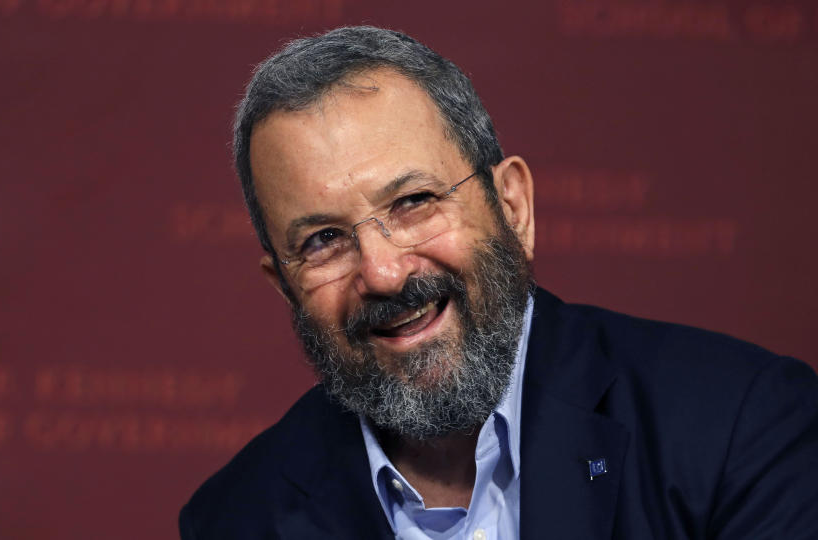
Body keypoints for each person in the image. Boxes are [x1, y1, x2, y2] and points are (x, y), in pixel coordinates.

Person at [179, 26, 818, 539]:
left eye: (413, 202)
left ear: (512, 206)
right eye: (323, 241)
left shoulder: (739, 426)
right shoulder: (236, 517)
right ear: (283, 286)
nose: (382, 271)